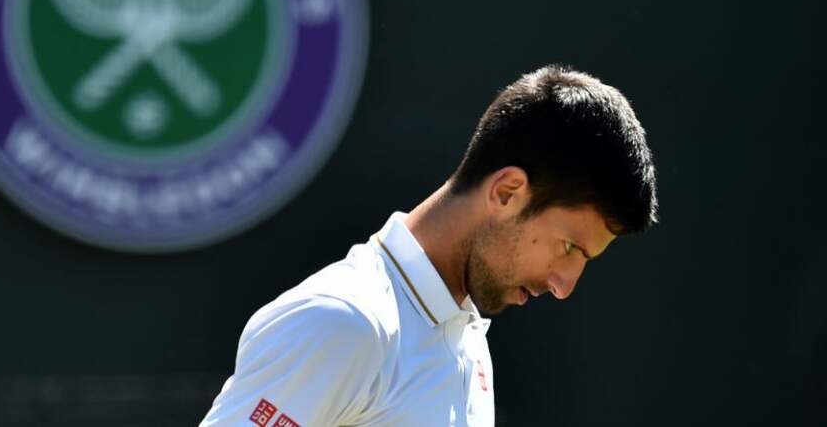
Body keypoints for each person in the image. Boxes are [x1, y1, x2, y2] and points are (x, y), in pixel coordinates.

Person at [199, 65, 658, 427]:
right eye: (569, 247)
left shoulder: (468, 339)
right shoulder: (342, 323)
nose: (565, 285)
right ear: (506, 193)